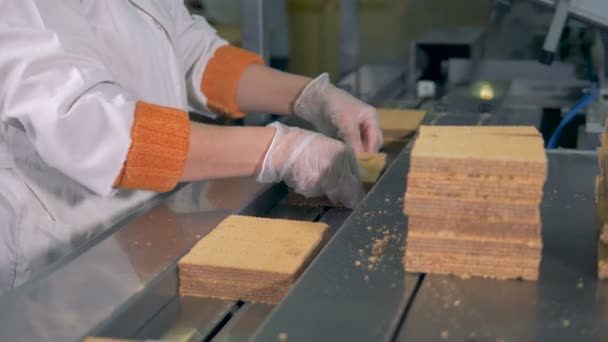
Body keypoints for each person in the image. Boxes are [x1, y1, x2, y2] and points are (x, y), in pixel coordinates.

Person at [0, 0, 382, 293]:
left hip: (139, 228)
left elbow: (193, 53)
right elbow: (99, 132)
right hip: (55, 255)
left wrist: (309, 95)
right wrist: (280, 150)